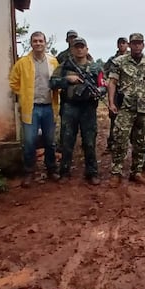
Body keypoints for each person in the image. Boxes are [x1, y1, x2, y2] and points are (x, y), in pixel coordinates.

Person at [8, 30, 60, 186]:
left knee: (50, 141)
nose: (38, 43)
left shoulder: (53, 62)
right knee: (30, 141)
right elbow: (13, 82)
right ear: (31, 43)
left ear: (45, 43)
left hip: (49, 107)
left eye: (41, 41)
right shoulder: (23, 62)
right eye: (35, 41)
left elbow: (58, 81)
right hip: (31, 108)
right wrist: (23, 94)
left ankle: (51, 169)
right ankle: (29, 172)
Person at [107, 32, 145, 184]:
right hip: (125, 108)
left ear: (143, 45)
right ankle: (116, 172)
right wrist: (111, 103)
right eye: (134, 43)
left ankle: (136, 171)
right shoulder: (120, 62)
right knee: (120, 140)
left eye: (140, 43)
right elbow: (112, 83)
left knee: (141, 141)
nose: (137, 45)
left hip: (144, 108)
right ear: (129, 45)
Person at [49, 37, 103, 185]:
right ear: (72, 49)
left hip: (89, 108)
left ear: (87, 49)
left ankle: (92, 172)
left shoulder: (95, 67)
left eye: (82, 47)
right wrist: (67, 79)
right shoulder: (65, 66)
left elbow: (103, 85)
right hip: (69, 107)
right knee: (67, 141)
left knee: (89, 142)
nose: (79, 49)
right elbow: (52, 83)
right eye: (76, 47)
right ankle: (64, 172)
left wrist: (98, 91)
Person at [103, 36, 129, 152]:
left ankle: (127, 144)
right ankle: (111, 144)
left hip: (129, 92)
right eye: (120, 43)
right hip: (116, 92)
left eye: (124, 43)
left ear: (127, 45)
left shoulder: (131, 58)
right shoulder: (112, 59)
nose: (122, 45)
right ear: (117, 45)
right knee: (114, 118)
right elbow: (104, 73)